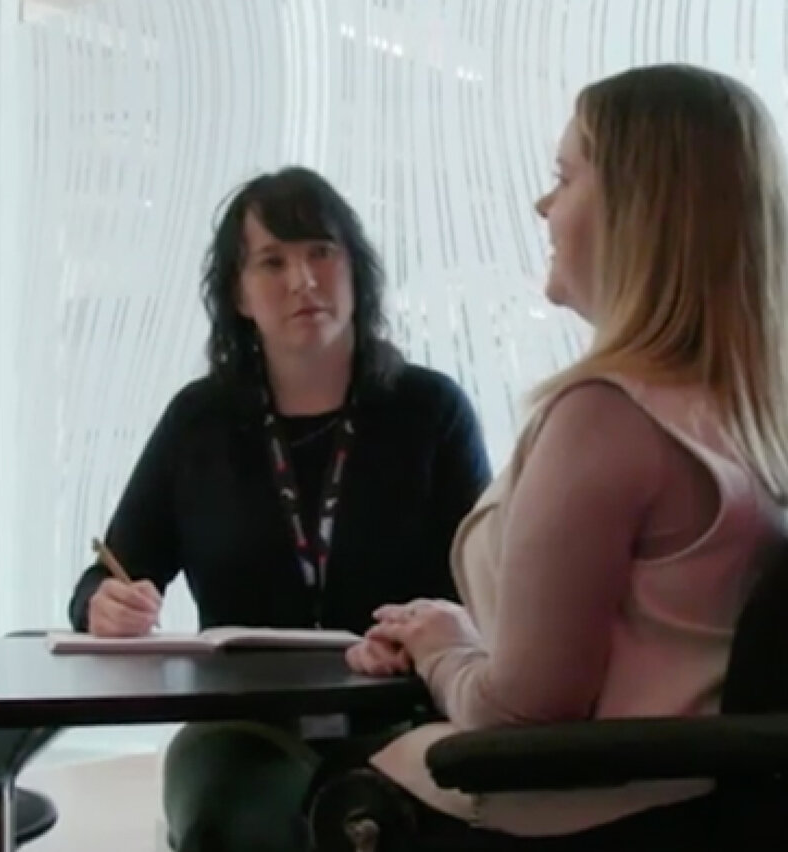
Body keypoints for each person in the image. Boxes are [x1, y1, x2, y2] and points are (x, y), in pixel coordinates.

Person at [340, 63, 788, 849]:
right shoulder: (758, 421)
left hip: (592, 816)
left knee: (310, 789)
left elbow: (522, 720)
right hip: (714, 812)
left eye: (564, 177)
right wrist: (463, 635)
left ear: (641, 212)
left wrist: (441, 650)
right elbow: (656, 641)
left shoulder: (606, 418)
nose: (544, 205)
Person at [66, 166, 493, 851]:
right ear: (238, 293)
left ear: (358, 271)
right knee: (244, 822)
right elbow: (109, 575)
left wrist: (418, 633)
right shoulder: (199, 421)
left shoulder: (430, 411)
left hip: (403, 716)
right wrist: (103, 605)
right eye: (273, 262)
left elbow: (488, 595)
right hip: (242, 726)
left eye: (322, 252)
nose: (303, 280)